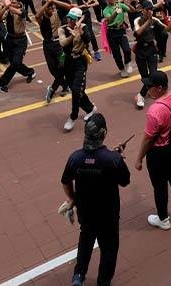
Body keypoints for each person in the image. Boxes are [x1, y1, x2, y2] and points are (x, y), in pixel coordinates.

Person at [61, 113, 131, 286]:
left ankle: (78, 276)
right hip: (108, 214)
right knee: (109, 248)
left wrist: (71, 198)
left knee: (85, 239)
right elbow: (125, 181)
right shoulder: (113, 160)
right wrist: (117, 158)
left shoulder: (75, 158)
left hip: (86, 212)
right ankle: (103, 281)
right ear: (104, 133)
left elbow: (65, 181)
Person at [135, 71, 171, 231]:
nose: (147, 89)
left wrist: (139, 158)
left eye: (149, 86)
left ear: (158, 88)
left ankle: (163, 219)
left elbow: (148, 139)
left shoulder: (154, 111)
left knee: (159, 186)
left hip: (158, 153)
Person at [59, 7, 97, 132]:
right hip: (68, 62)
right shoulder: (63, 29)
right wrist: (72, 35)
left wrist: (80, 31)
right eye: (69, 18)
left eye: (73, 19)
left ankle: (73, 116)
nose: (70, 20)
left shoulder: (84, 27)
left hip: (80, 61)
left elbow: (88, 39)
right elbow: (63, 43)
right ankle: (90, 108)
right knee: (76, 89)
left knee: (76, 90)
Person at [0, 0, 37, 93]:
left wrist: (8, 6)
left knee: (16, 63)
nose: (11, 4)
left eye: (14, 3)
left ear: (19, 4)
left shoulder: (22, 10)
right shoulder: (8, 11)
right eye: (10, 3)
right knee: (14, 63)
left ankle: (1, 83)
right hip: (9, 39)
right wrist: (4, 8)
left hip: (21, 40)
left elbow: (20, 13)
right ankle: (30, 72)